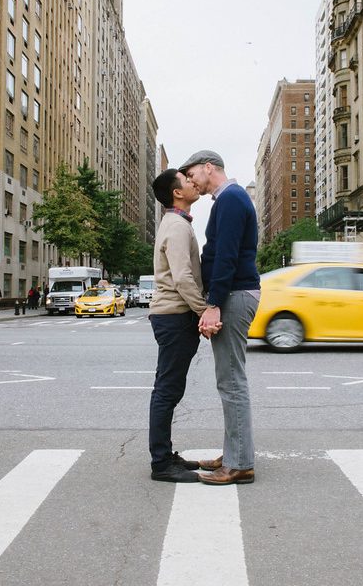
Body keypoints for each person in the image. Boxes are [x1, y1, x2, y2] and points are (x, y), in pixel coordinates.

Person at [180, 150, 261, 486]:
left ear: (208, 167)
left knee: (231, 381)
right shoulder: (230, 199)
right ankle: (233, 455)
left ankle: (239, 463)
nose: (191, 182)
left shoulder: (230, 199)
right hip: (236, 293)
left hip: (234, 295)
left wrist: (213, 303)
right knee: (230, 379)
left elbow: (226, 254)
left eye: (191, 175)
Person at [147, 168, 216, 483]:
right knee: (167, 390)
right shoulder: (176, 226)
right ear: (177, 192)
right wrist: (204, 311)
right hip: (174, 316)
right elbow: (182, 277)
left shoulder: (177, 223)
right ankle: (161, 463)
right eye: (187, 180)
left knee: (169, 388)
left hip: (173, 315)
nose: (193, 182)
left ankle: (165, 455)